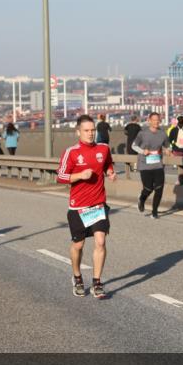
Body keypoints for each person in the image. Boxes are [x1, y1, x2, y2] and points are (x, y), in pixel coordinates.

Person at [56, 115, 117, 299]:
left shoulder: (103, 148)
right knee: (78, 244)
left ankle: (97, 282)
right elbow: (60, 176)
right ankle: (77, 276)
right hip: (78, 207)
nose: (90, 134)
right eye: (86, 131)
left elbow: (107, 164)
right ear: (78, 132)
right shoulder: (71, 152)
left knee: (100, 241)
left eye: (92, 130)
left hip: (98, 204)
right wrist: (80, 175)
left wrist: (110, 172)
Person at [132, 112, 168, 219]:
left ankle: (154, 212)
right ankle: (142, 199)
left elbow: (167, 145)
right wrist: (143, 151)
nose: (156, 121)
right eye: (154, 120)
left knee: (159, 188)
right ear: (149, 121)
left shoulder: (163, 133)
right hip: (145, 165)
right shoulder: (142, 133)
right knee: (148, 188)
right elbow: (133, 146)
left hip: (158, 164)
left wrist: (168, 150)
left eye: (158, 119)